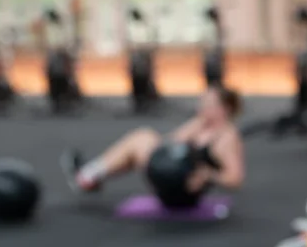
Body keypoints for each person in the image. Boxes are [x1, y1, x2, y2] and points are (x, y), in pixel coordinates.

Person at [61, 85, 246, 207]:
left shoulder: (226, 137)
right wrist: (195, 126)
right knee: (141, 142)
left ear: (225, 109)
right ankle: (90, 176)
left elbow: (235, 179)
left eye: (208, 104)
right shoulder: (200, 124)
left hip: (185, 190)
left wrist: (208, 174)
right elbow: (170, 143)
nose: (202, 108)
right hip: (171, 179)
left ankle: (87, 175)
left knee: (140, 138)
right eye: (202, 103)